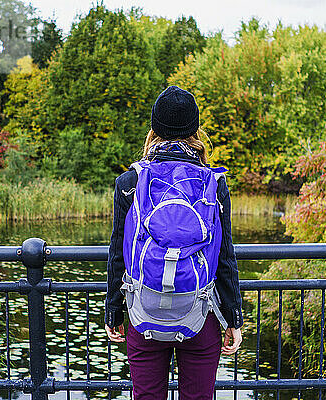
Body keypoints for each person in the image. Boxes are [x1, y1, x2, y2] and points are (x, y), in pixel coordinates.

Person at [104, 85, 243, 400]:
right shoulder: (213, 183)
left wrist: (113, 310)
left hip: (144, 315)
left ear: (153, 130)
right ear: (195, 131)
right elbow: (224, 256)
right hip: (200, 313)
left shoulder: (131, 182)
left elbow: (117, 253)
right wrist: (233, 316)